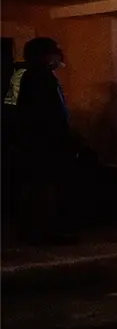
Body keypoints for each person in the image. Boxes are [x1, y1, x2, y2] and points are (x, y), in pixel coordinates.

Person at [2, 37, 78, 243]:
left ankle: (43, 230)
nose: (58, 57)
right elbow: (13, 109)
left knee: (46, 186)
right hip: (35, 144)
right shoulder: (23, 75)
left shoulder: (44, 76)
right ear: (42, 55)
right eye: (54, 52)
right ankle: (35, 232)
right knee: (37, 187)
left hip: (46, 143)